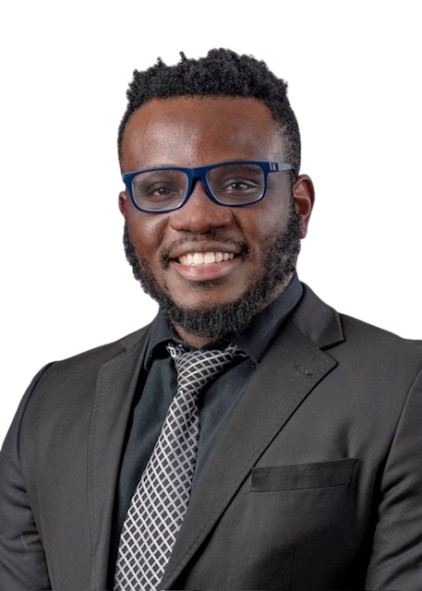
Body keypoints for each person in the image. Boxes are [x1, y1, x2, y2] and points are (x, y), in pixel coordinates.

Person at [0, 48, 421, 591]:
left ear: (300, 204)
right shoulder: (50, 399)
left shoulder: (404, 389)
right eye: (159, 189)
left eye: (239, 183)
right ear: (127, 213)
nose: (196, 217)